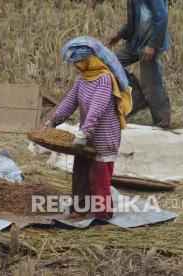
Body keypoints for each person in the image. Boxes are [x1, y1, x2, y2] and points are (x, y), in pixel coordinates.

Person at [45, 37, 132, 220]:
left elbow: (96, 110)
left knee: (99, 179)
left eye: (78, 61)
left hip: (103, 137)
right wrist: (53, 121)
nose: (76, 65)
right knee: (80, 174)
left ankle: (102, 216)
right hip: (87, 136)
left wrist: (83, 134)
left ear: (89, 59)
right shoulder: (82, 79)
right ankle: (80, 209)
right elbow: (70, 102)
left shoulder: (104, 79)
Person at [107, 0, 171, 128]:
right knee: (109, 65)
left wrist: (152, 45)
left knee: (150, 82)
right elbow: (133, 24)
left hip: (150, 45)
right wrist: (119, 35)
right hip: (135, 43)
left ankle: (162, 123)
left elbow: (162, 18)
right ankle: (137, 97)